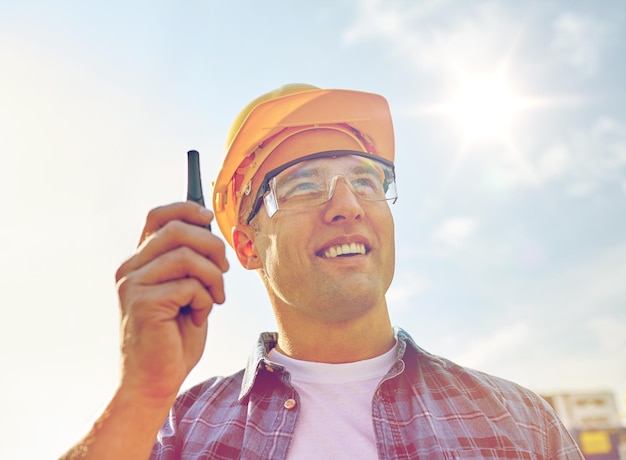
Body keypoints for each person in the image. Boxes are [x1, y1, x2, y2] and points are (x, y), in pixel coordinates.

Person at [61, 84, 583, 459]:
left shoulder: (517, 424)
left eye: (367, 181)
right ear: (246, 245)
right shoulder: (177, 435)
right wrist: (144, 390)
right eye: (303, 185)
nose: (347, 205)